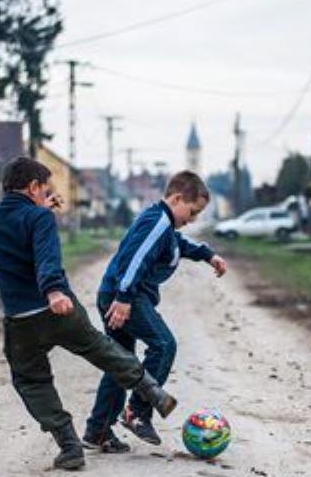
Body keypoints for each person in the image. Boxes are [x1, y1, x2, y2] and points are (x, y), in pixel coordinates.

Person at [0, 157, 177, 470]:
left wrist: (40, 209)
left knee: (32, 380)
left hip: (20, 320)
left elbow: (17, 228)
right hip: (57, 308)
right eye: (44, 189)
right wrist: (54, 289)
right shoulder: (40, 219)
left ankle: (70, 445)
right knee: (101, 348)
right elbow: (46, 257)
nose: (47, 194)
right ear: (33, 187)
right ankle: (149, 389)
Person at [82, 171, 228, 451]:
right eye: (192, 211)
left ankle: (97, 430)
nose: (193, 219)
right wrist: (124, 297)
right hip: (126, 296)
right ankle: (137, 411)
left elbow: (178, 245)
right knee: (163, 344)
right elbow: (134, 259)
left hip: (118, 293)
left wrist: (207, 254)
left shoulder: (163, 224)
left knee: (120, 362)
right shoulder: (158, 222)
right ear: (175, 198)